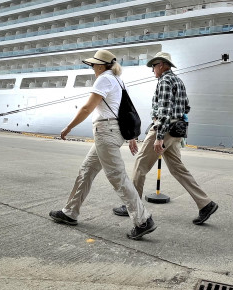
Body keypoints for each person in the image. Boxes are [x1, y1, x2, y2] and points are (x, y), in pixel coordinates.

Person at [49, 49, 156, 240]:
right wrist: (131, 136)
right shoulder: (117, 80)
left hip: (106, 133)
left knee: (118, 177)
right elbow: (125, 110)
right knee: (86, 171)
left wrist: (68, 127)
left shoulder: (104, 79)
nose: (92, 68)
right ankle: (70, 212)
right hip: (111, 132)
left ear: (100, 65)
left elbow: (87, 107)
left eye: (92, 65)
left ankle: (142, 220)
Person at [113, 52, 218, 225]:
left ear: (161, 65)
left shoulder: (164, 81)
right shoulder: (178, 81)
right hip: (176, 130)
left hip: (164, 129)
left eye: (154, 66)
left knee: (140, 165)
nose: (153, 70)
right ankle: (205, 204)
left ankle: (132, 205)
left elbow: (164, 110)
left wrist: (159, 136)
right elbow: (186, 107)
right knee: (178, 169)